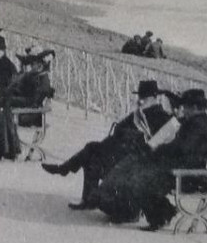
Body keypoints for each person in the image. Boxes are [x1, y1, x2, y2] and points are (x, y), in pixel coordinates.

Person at [93, 88, 207, 230]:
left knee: (141, 178)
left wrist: (159, 150)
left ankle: (160, 216)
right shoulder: (202, 123)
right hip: (186, 170)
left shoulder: (198, 126)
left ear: (196, 107)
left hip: (187, 176)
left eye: (187, 107)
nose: (184, 110)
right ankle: (160, 213)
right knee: (141, 172)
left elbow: (182, 149)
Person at [44, 79, 169, 210]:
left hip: (134, 157)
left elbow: (156, 140)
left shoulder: (161, 116)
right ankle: (86, 197)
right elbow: (119, 128)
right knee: (92, 155)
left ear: (154, 98)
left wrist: (131, 134)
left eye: (143, 97)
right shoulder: (139, 112)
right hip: (121, 151)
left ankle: (66, 171)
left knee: (92, 150)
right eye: (140, 96)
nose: (140, 100)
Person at [0, 48, 55, 162]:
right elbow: (21, 91)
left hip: (29, 115)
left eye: (34, 64)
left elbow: (32, 102)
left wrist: (11, 99)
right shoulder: (33, 76)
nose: (31, 66)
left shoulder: (43, 80)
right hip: (18, 109)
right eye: (32, 64)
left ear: (41, 66)